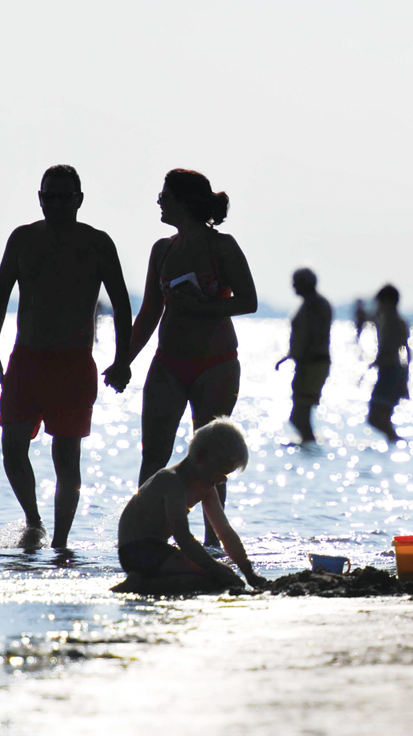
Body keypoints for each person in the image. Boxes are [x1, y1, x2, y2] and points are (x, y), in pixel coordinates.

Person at [0, 165, 133, 550]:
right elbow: (0, 294)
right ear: (39, 198)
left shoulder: (98, 243)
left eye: (64, 197)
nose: (55, 204)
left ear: (79, 200)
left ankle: (61, 542)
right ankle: (34, 522)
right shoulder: (23, 239)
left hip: (73, 363)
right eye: (48, 196)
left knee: (66, 457)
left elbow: (120, 303)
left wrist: (122, 359)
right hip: (26, 360)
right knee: (12, 447)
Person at [129, 169, 257, 547]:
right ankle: (146, 535)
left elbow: (248, 301)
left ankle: (212, 543)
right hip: (169, 362)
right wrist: (124, 361)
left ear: (185, 201)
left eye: (165, 195)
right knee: (154, 453)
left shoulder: (223, 247)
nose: (159, 201)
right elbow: (150, 312)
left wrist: (204, 307)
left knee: (210, 456)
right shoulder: (162, 249)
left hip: (215, 363)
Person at [115, 417, 266, 594]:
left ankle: (149, 581)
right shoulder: (172, 481)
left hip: (160, 551)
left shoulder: (207, 488)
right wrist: (215, 569)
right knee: (218, 578)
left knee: (220, 578)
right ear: (201, 457)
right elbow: (182, 536)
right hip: (137, 551)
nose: (223, 480)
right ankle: (142, 585)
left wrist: (248, 571)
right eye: (222, 472)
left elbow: (224, 531)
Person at [275, 268, 333, 444]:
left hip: (313, 364)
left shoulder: (315, 305)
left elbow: (311, 335)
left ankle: (309, 446)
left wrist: (298, 355)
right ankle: (308, 443)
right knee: (300, 415)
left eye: (296, 282)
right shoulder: (312, 303)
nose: (293, 286)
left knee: (300, 415)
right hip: (308, 364)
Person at [367, 284, 410, 443]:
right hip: (391, 372)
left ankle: (396, 440)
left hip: (391, 373)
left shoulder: (394, 322)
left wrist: (403, 378)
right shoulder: (389, 320)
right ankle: (394, 440)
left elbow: (397, 349)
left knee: (376, 417)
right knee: (380, 417)